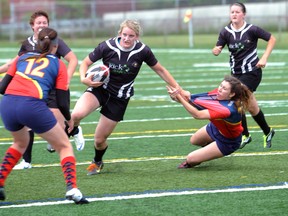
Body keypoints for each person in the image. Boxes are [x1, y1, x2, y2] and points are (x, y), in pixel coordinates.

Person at [71, 19, 182, 175]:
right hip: (100, 89)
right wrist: (83, 78)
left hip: (119, 98)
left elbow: (161, 70)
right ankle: (74, 129)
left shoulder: (143, 51)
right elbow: (85, 63)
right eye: (124, 35)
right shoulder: (107, 46)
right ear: (119, 33)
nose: (127, 38)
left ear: (137, 37)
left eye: (131, 35)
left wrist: (178, 88)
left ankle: (97, 161)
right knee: (75, 114)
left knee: (99, 140)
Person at [0, 28, 88, 204]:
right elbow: (62, 102)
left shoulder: (21, 57)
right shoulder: (58, 63)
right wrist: (69, 120)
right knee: (64, 145)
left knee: (20, 143)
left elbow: (2, 88)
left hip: (7, 104)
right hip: (31, 105)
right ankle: (72, 188)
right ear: (56, 47)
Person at [212, 2, 276, 149]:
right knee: (252, 107)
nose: (234, 14)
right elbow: (218, 47)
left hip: (252, 72)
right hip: (235, 74)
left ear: (243, 14)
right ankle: (268, 131)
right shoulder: (225, 32)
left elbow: (272, 38)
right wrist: (216, 50)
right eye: (232, 12)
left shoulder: (252, 29)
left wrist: (264, 57)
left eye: (237, 12)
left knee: (236, 97)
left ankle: (245, 135)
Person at [167, 75, 251, 168]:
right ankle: (210, 149)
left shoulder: (227, 109)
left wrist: (180, 98)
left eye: (224, 88)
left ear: (231, 94)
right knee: (194, 140)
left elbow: (197, 115)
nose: (220, 89)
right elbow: (193, 101)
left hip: (228, 142)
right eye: (221, 85)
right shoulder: (218, 94)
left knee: (190, 159)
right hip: (216, 127)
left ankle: (196, 160)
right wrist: (180, 96)